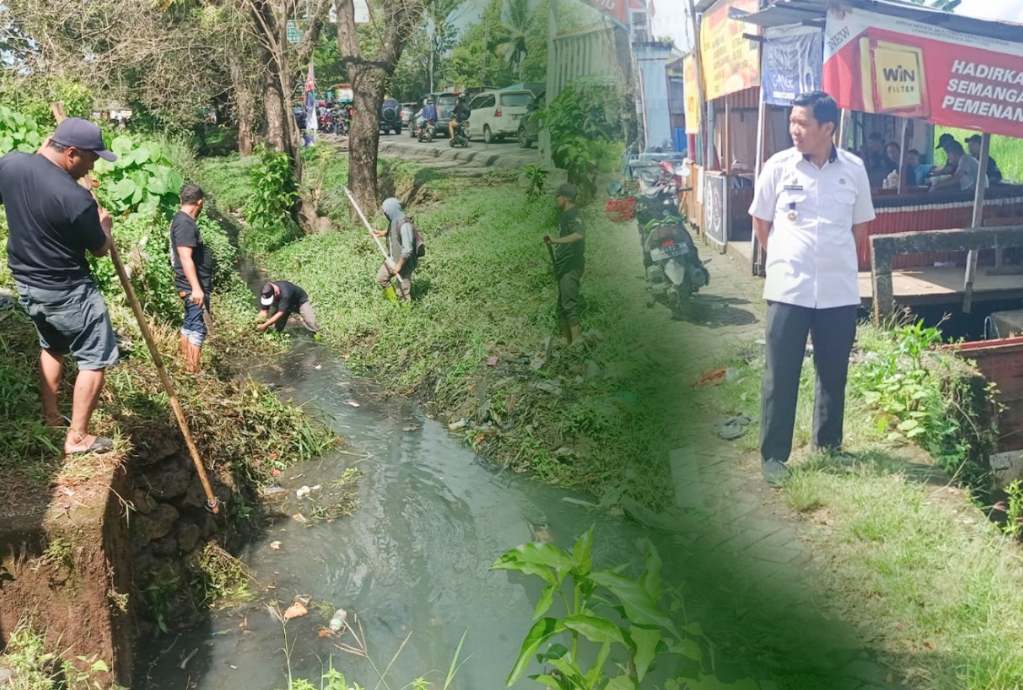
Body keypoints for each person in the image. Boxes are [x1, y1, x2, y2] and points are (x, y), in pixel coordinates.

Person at [749, 91, 876, 485]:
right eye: (792, 122)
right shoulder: (778, 166)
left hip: (838, 290)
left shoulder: (853, 170)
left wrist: (832, 261)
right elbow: (761, 222)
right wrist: (787, 258)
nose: (794, 130)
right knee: (781, 373)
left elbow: (861, 230)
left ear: (828, 128)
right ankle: (774, 457)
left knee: (833, 370)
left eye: (802, 123)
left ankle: (828, 445)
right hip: (789, 288)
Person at [1, 117, 120, 455]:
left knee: (52, 346)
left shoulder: (10, 164)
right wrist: (105, 225)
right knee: (95, 357)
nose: (93, 165)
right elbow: (99, 249)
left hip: (26, 283)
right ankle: (78, 437)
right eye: (91, 158)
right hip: (68, 289)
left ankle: (52, 419)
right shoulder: (75, 198)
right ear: (71, 153)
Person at [170, 184, 213, 373]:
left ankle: (186, 366)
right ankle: (192, 371)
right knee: (198, 327)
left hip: (188, 285)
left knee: (189, 324)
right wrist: (196, 288)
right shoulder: (185, 224)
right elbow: (185, 257)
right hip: (191, 287)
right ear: (200, 202)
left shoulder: (181, 220)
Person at [544, 184, 586, 346]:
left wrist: (555, 240)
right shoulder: (564, 215)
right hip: (563, 265)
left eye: (558, 196)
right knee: (562, 304)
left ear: (566, 198)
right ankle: (564, 339)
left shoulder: (573, 215)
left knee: (569, 303)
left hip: (571, 265)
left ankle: (577, 341)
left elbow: (579, 235)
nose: (556, 199)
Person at [374, 197, 416, 301]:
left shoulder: (405, 225)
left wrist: (399, 266)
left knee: (402, 291)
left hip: (404, 262)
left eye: (386, 211)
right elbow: (394, 232)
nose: (385, 214)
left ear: (391, 210)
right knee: (381, 278)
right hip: (393, 258)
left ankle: (405, 313)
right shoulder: (394, 220)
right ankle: (393, 303)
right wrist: (382, 233)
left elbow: (407, 250)